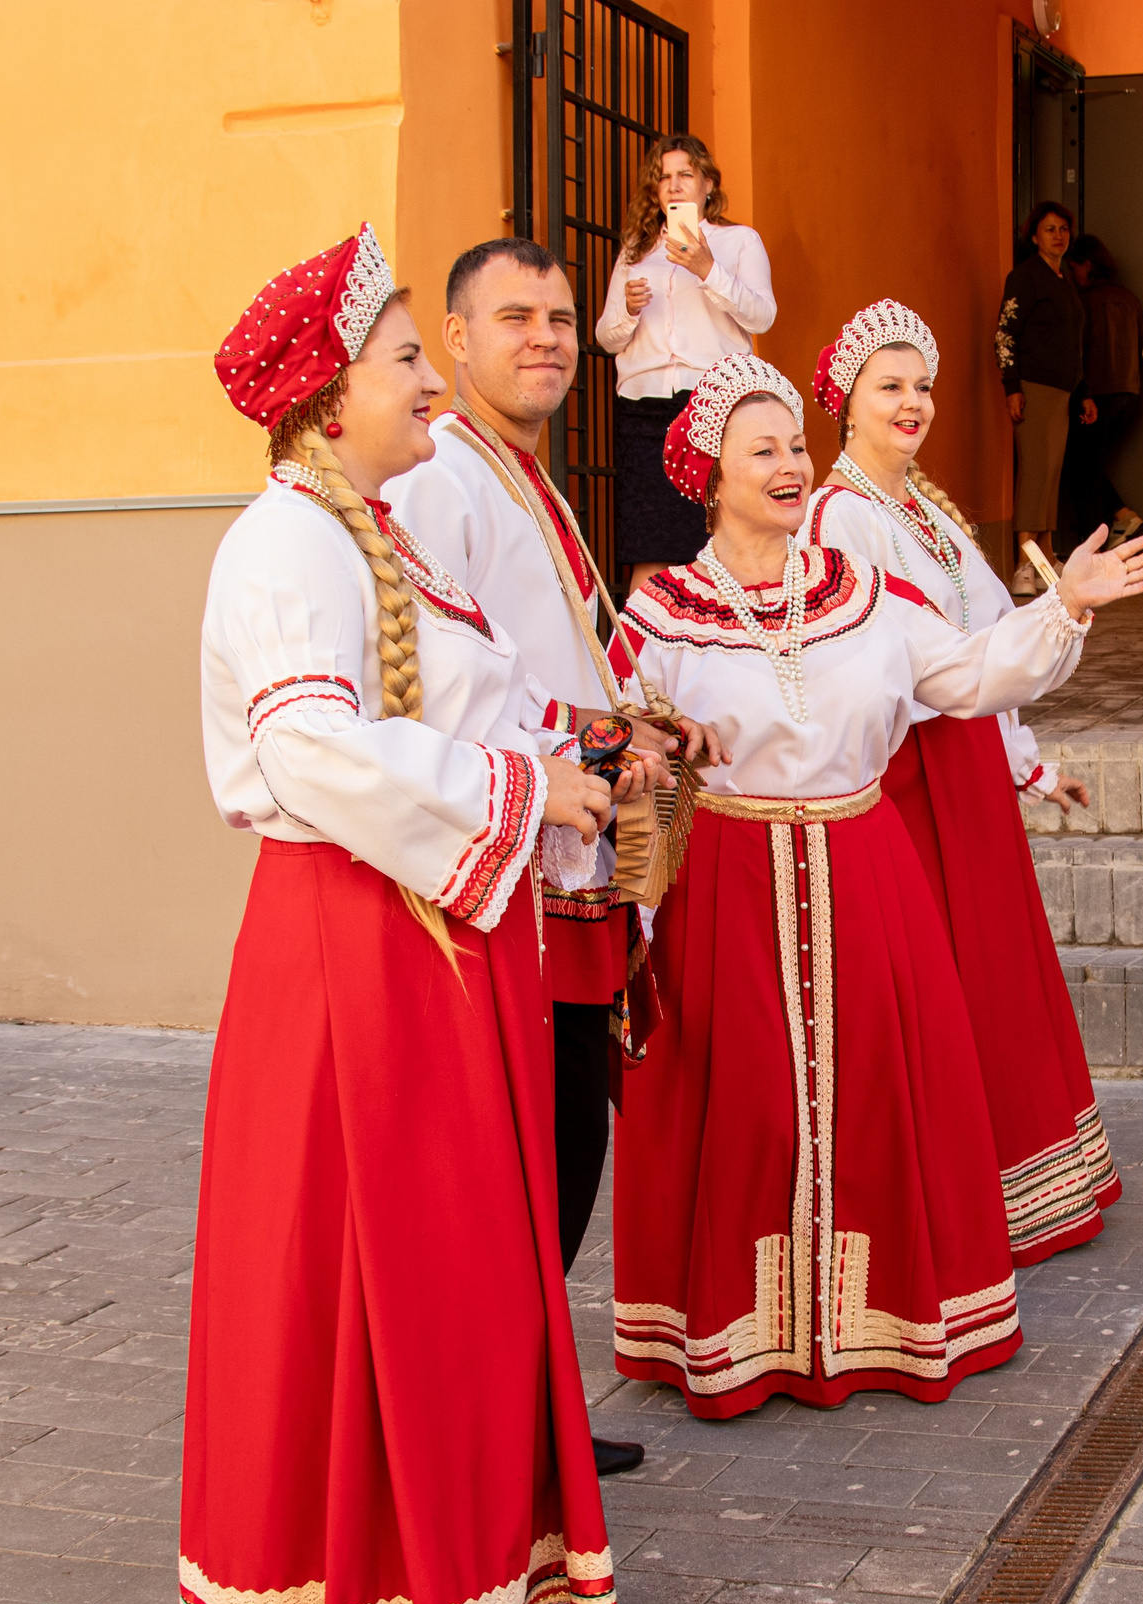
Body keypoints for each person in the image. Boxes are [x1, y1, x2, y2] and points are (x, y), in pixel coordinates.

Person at [187, 224, 633, 1604]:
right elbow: (309, 749)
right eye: (401, 360)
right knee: (363, 1280)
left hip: (422, 940)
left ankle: (450, 1591)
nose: (428, 382)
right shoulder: (286, 545)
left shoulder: (367, 531)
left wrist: (564, 753)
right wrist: (522, 790)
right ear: (328, 399)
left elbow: (461, 699)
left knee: (443, 1282)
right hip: (356, 956)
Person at [608, 354, 1143, 1417]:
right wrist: (654, 744)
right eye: (762, 451)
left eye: (795, 446)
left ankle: (883, 1324)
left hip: (866, 871)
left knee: (877, 1097)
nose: (790, 465)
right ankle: (749, 1338)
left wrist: (1063, 607)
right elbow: (614, 745)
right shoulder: (660, 616)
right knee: (750, 1109)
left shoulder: (864, 593)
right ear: (709, 475)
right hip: (725, 884)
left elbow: (968, 674)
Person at [384, 235, 726, 1481]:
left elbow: (553, 652)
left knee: (561, 1159)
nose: (544, 338)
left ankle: (526, 1418)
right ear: (456, 340)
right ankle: (495, 1429)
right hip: (515, 876)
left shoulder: (525, 476)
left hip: (574, 865)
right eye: (513, 316)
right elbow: (440, 681)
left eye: (562, 318)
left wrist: (638, 718)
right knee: (523, 1164)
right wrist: (590, 732)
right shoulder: (441, 477)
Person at [801, 299, 1129, 1264]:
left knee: (992, 972)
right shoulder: (839, 516)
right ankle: (955, 1199)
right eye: (889, 386)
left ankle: (1018, 1185)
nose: (912, 402)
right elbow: (929, 669)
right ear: (846, 401)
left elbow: (985, 645)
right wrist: (1063, 605)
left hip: (968, 770)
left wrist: (1026, 761)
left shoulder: (927, 510)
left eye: (923, 386)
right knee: (943, 984)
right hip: (911, 782)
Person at [594, 133, 774, 595]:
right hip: (643, 409)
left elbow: (762, 316)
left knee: (716, 539)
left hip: (712, 406)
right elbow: (606, 338)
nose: (674, 185)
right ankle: (640, 641)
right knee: (649, 546)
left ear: (708, 184)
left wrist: (708, 268)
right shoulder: (636, 252)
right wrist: (627, 310)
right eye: (663, 178)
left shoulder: (738, 242)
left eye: (685, 175)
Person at [998, 200, 1086, 594]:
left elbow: (1073, 342)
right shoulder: (1026, 277)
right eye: (1050, 229)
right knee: (1035, 472)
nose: (1058, 236)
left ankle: (1046, 557)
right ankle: (1024, 563)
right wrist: (1012, 386)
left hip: (1062, 390)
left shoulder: (1064, 281)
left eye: (1063, 229)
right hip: (1033, 386)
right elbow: (1004, 334)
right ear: (1034, 236)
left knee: (1051, 474)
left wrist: (1083, 392)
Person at [1062, 234, 1143, 549]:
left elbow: (1076, 351)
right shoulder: (1130, 299)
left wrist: (1082, 393)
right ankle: (1122, 515)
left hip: (1096, 394)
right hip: (1129, 393)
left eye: (1074, 268)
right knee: (1089, 464)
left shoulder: (1083, 302)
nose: (1072, 275)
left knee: (1082, 470)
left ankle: (1093, 543)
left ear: (1087, 264)